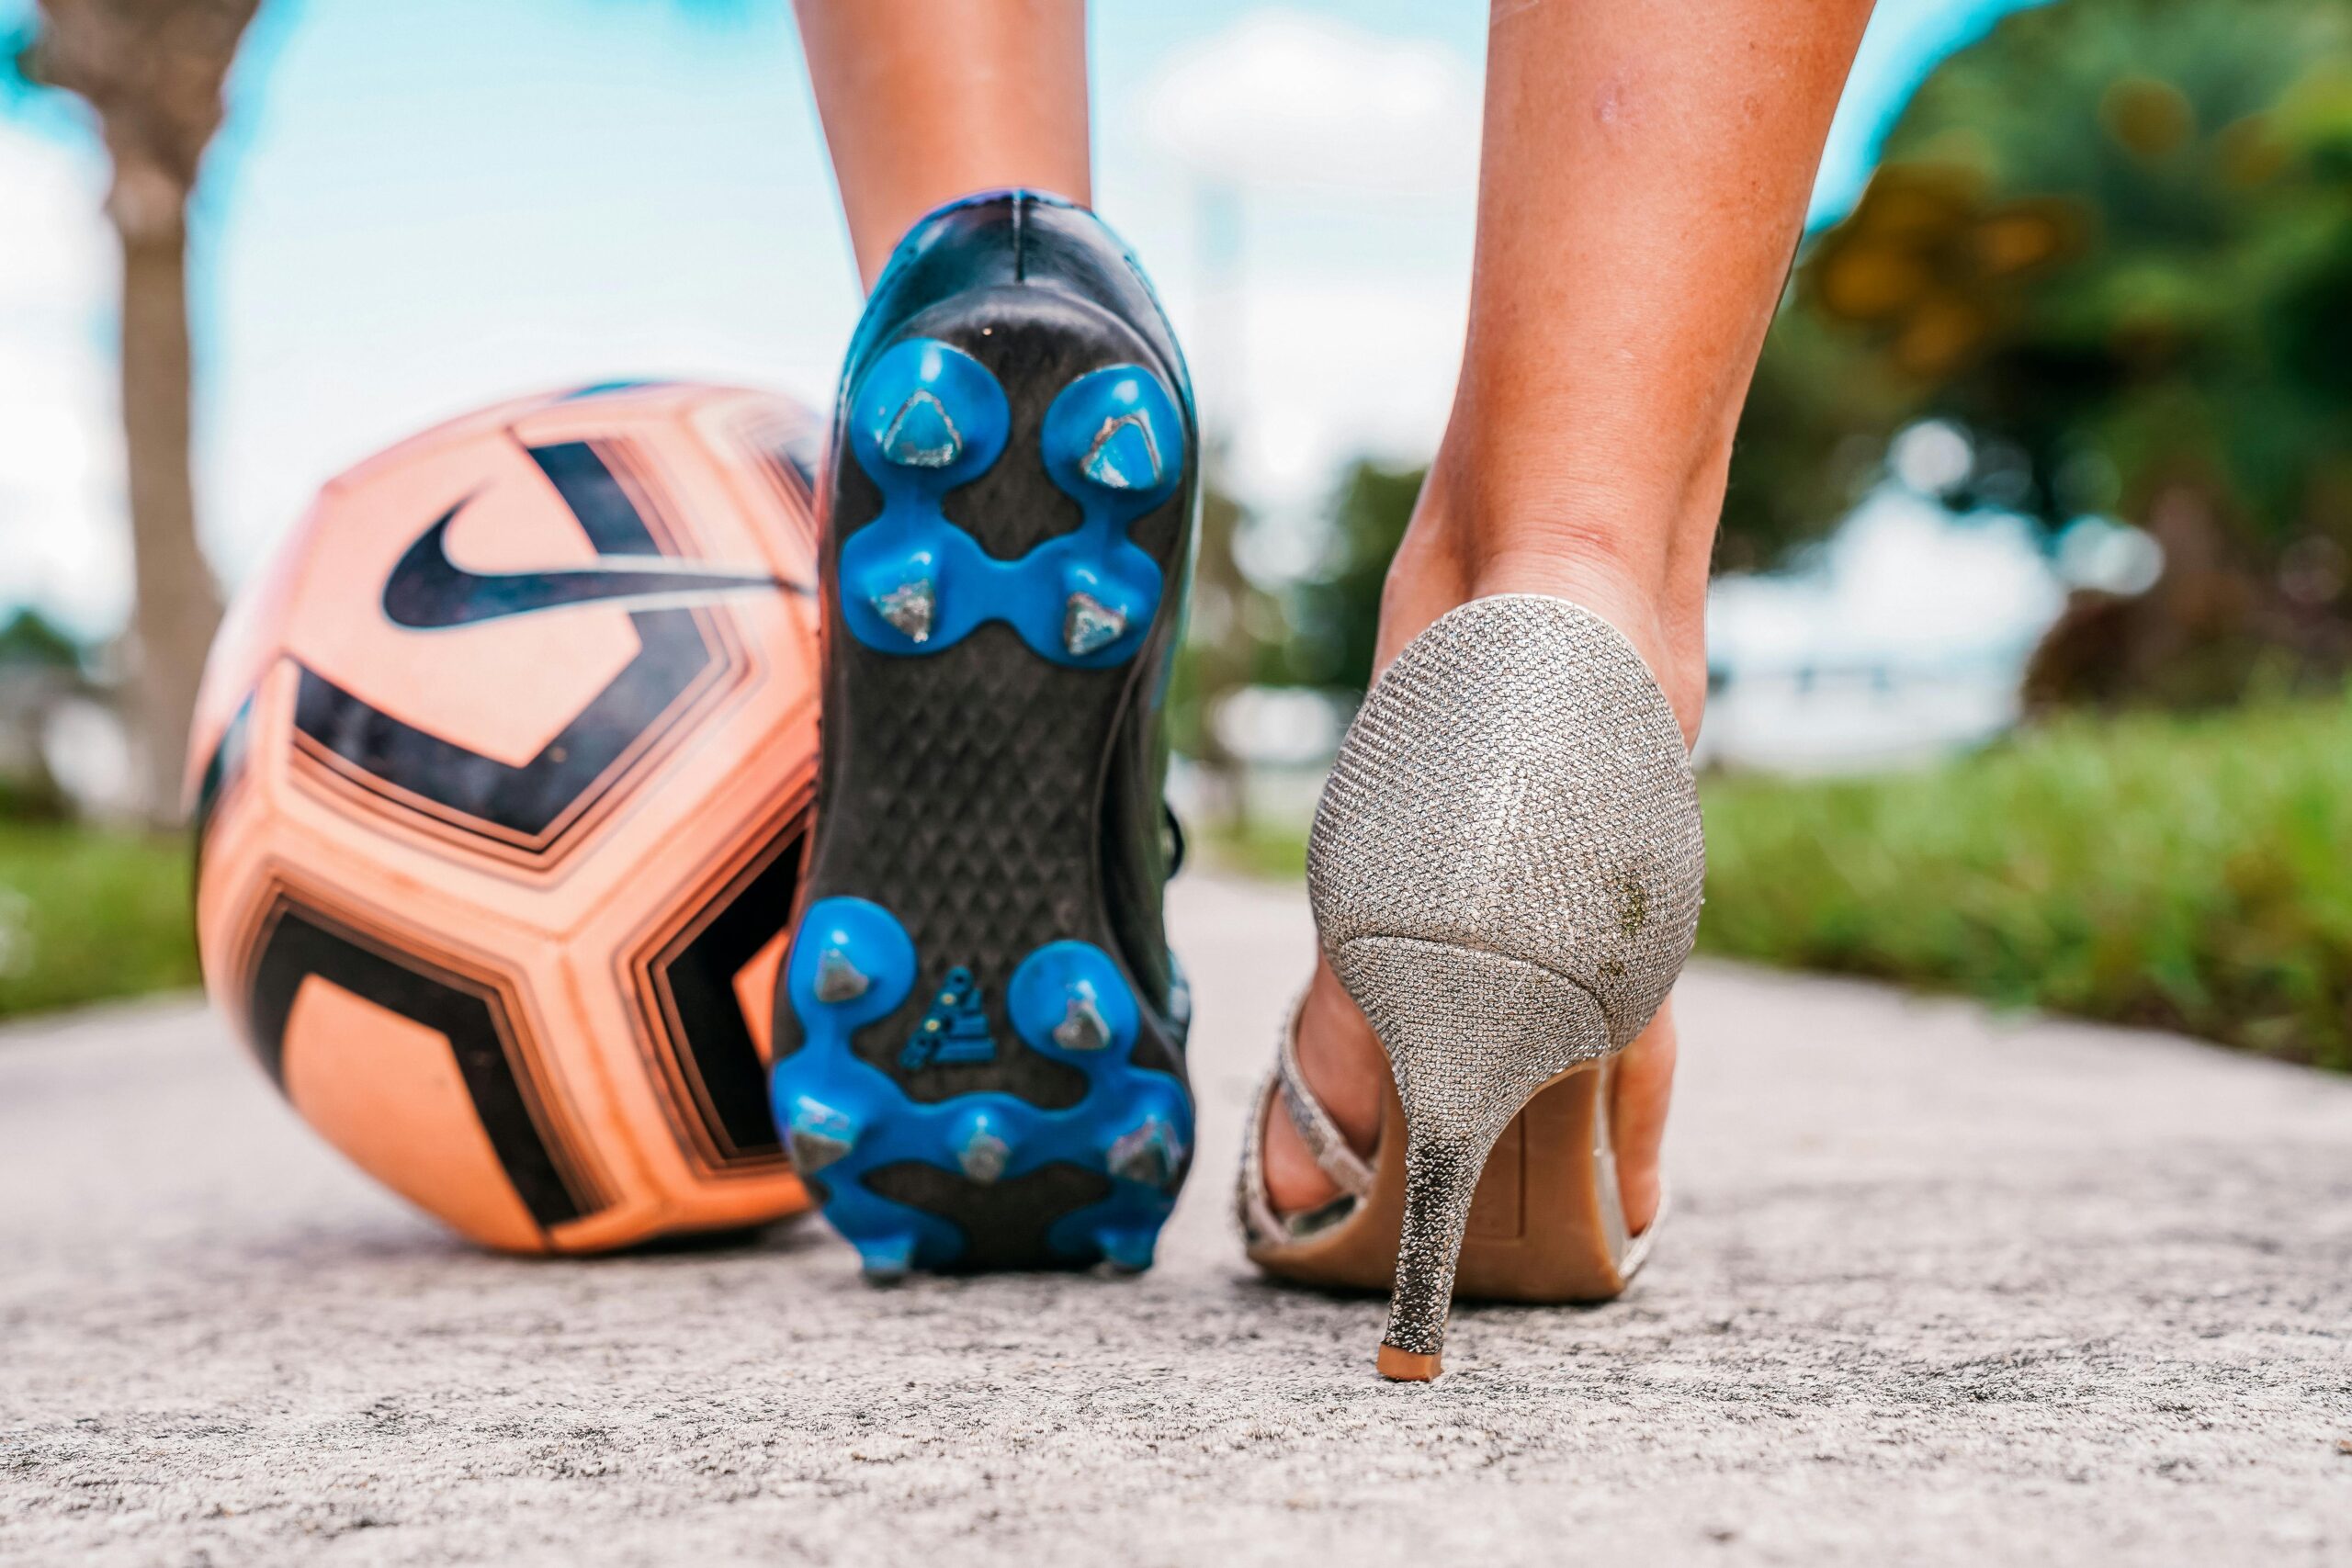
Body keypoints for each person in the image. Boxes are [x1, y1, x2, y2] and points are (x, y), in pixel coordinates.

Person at [773, 0, 1875, 1377]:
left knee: (981, 304)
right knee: (1576, 545)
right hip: (1560, 780)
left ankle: (970, 315)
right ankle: (1569, 611)